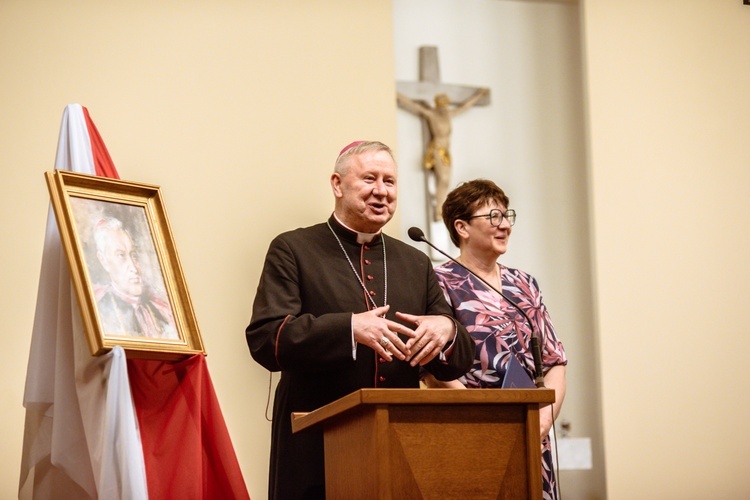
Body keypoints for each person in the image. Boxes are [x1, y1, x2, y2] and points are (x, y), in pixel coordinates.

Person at [246, 140, 474, 500]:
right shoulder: (293, 249)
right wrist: (349, 328)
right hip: (315, 445)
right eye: (370, 178)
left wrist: (447, 330)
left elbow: (455, 363)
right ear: (337, 184)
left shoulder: (414, 262)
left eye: (390, 181)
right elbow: (266, 337)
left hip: (400, 444)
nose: (382, 191)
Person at [423, 179, 567, 499]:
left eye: (507, 216)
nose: (505, 226)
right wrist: (485, 421)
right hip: (475, 432)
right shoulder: (437, 282)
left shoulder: (524, 284)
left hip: (532, 433)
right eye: (493, 218)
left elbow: (555, 360)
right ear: (462, 227)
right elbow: (433, 369)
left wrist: (543, 420)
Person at [396, 88, 489, 221]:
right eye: (442, 105)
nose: (445, 107)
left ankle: (442, 206)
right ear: (437, 105)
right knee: (443, 179)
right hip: (437, 150)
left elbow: (465, 106)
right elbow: (413, 105)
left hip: (446, 151)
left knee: (446, 181)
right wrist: (397, 94)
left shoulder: (448, 114)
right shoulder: (432, 115)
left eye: (446, 105)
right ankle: (439, 209)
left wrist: (478, 95)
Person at [93, 217, 178, 339]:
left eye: (133, 255)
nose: (134, 267)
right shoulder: (100, 310)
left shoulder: (161, 309)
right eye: (121, 255)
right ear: (104, 261)